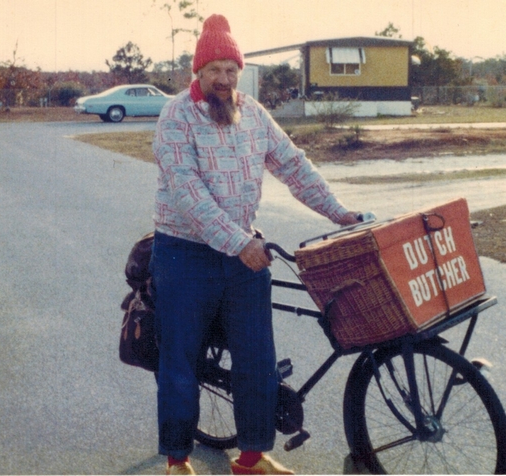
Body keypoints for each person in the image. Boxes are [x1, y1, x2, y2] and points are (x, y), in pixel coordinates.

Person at [149, 14, 360, 476]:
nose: (223, 80)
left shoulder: (254, 113)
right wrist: (237, 240)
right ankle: (177, 460)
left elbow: (293, 165)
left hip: (244, 256)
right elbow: (187, 192)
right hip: (185, 255)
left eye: (231, 70)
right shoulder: (176, 116)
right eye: (214, 71)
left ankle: (251, 458)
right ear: (198, 74)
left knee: (256, 359)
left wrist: (339, 212)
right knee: (180, 361)